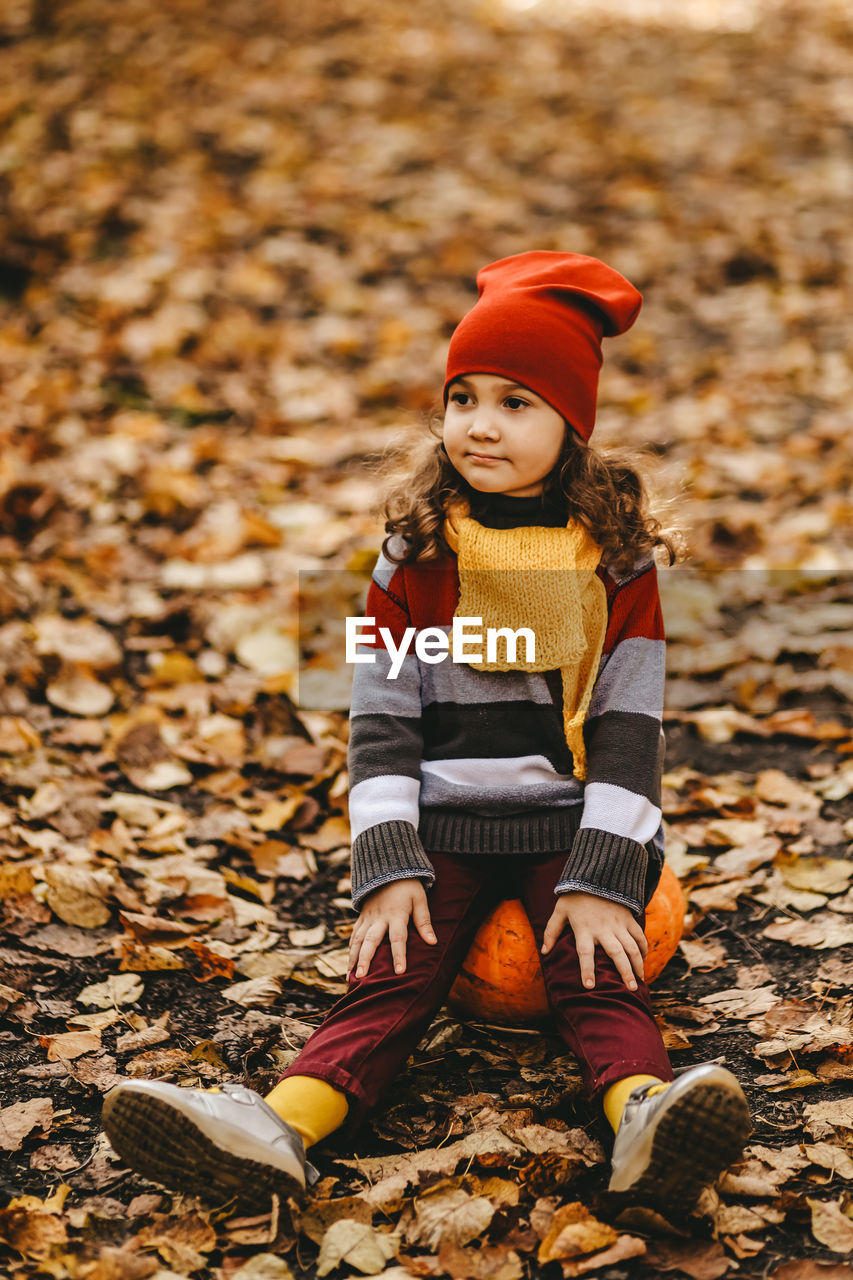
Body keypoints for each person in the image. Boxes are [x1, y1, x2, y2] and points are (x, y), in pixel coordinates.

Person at [103, 251, 750, 1211]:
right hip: (441, 827)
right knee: (384, 984)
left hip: (568, 823)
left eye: (516, 402)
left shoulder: (614, 565)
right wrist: (388, 861)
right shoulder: (410, 559)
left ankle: (650, 1122)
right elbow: (380, 718)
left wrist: (606, 875)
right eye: (463, 396)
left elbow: (627, 724)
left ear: (572, 423)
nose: (480, 423)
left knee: (599, 981)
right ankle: (276, 1128)